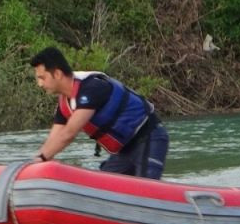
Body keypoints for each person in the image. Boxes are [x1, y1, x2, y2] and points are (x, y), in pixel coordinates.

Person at [29, 46, 168, 178]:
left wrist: (42, 158)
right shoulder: (64, 105)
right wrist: (34, 163)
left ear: (57, 74)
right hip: (124, 149)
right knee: (104, 185)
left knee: (144, 189)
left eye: (42, 78)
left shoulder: (91, 88)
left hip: (149, 137)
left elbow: (68, 134)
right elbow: (54, 138)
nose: (40, 84)